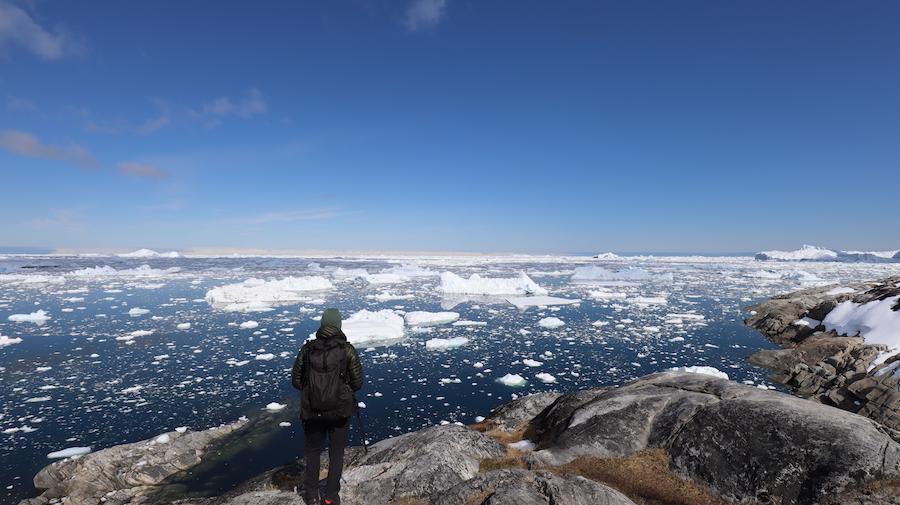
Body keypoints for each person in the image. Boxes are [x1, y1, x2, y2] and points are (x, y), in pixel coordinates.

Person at [291, 308, 364, 505]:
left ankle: (312, 496)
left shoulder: (308, 350)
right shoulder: (347, 350)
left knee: (313, 452)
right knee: (336, 453)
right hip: (339, 412)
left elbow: (296, 381)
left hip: (312, 411)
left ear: (322, 325)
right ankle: (331, 497)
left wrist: (314, 389)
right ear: (338, 325)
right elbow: (357, 383)